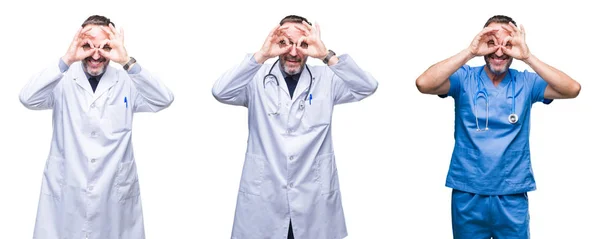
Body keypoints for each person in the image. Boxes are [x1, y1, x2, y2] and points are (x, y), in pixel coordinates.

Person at [212, 15, 378, 239]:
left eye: (302, 44)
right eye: (284, 43)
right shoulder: (255, 78)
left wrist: (326, 55)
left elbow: (367, 87)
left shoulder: (327, 78)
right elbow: (221, 92)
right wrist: (260, 56)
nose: (293, 52)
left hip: (314, 202)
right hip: (265, 200)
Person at [415, 15, 581, 239]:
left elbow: (572, 89)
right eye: (491, 43)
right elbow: (424, 84)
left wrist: (528, 56)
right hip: (468, 191)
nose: (500, 51)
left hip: (511, 193)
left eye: (508, 44)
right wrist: (470, 52)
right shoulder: (464, 79)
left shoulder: (526, 82)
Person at [20, 15, 174, 239]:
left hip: (114, 193)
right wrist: (67, 59)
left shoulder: (127, 81)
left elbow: (164, 99)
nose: (95, 54)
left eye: (105, 46)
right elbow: (27, 98)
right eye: (87, 45)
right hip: (67, 192)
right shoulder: (61, 79)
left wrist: (127, 61)